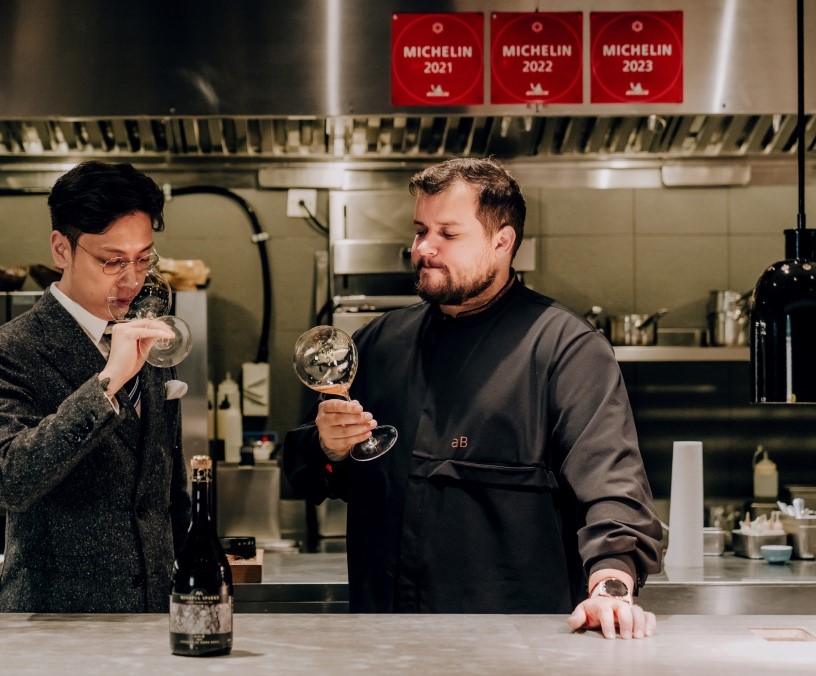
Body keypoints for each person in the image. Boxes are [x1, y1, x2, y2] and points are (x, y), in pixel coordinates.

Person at [284, 158, 664, 639]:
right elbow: (305, 470)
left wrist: (611, 588)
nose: (424, 248)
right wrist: (328, 447)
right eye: (420, 230)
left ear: (502, 242)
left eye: (448, 233)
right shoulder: (378, 344)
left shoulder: (565, 348)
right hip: (385, 639)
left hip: (518, 649)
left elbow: (612, 486)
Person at [0, 160, 190, 613]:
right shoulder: (11, 350)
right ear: (61, 249)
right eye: (112, 261)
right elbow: (9, 479)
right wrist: (106, 383)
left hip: (153, 617)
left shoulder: (145, 334)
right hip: (53, 621)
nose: (132, 280)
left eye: (143, 258)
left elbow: (168, 490)